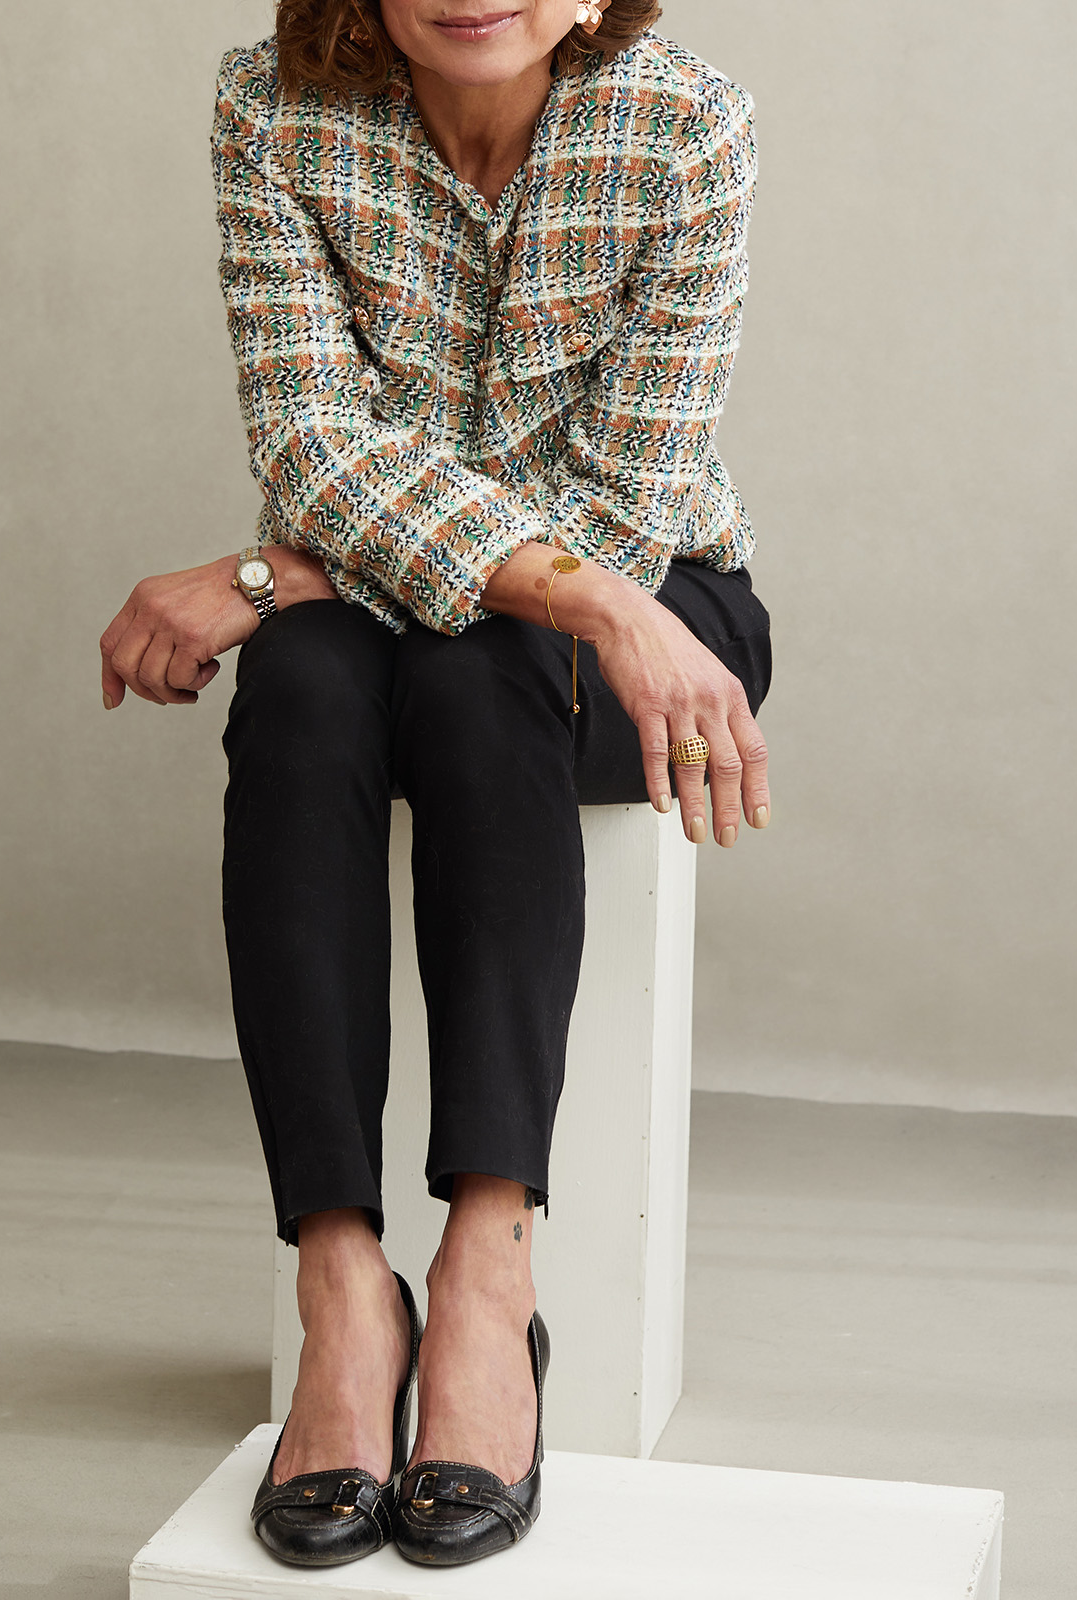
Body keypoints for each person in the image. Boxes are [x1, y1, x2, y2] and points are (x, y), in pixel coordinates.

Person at [99, 0, 771, 1570]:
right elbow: (307, 441)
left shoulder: (689, 129)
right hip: (435, 600)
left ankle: (487, 1266)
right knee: (303, 691)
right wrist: (316, 560)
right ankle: (344, 1281)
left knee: (473, 674)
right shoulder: (272, 107)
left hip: (656, 610)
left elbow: (622, 507)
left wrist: (269, 571)